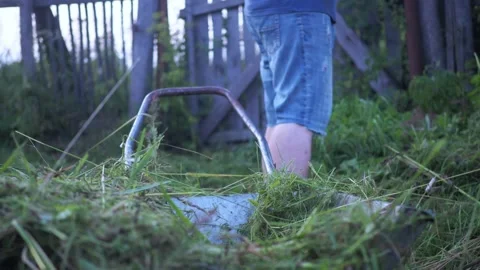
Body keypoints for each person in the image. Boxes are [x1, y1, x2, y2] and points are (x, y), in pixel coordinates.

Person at [244, 1, 337, 178]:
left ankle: (273, 197)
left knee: (280, 119)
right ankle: (285, 202)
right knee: (297, 115)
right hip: (298, 10)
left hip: (266, 10)